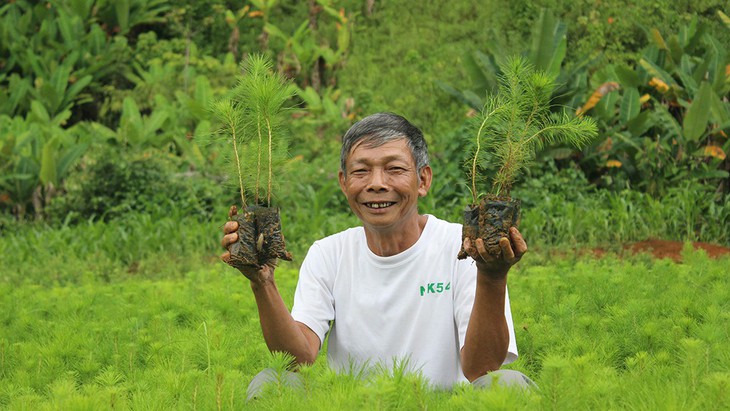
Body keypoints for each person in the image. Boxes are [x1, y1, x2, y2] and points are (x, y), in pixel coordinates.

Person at [221, 112, 534, 396]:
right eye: (361, 171)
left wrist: (492, 278)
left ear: (423, 180)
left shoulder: (462, 248)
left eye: (394, 169)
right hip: (355, 404)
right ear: (344, 183)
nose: (377, 184)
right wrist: (262, 283)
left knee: (509, 385)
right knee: (271, 383)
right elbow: (298, 358)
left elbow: (483, 369)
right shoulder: (328, 255)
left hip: (442, 404)